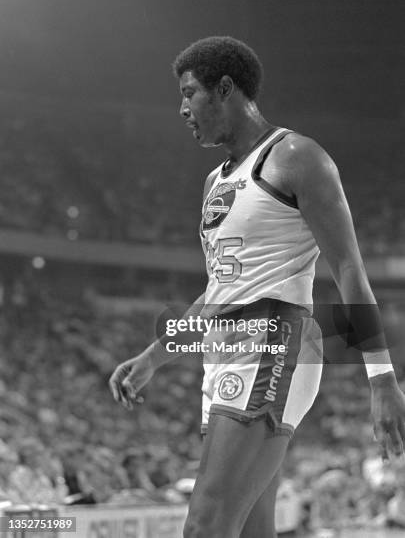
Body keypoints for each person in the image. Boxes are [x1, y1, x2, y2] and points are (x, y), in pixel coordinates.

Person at [109, 36, 405, 538]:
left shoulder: (297, 157)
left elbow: (349, 268)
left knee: (205, 524)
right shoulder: (214, 182)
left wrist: (381, 378)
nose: (182, 108)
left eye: (189, 93)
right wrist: (154, 357)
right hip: (223, 349)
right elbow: (216, 293)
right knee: (248, 528)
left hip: (274, 337)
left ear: (225, 89)